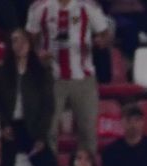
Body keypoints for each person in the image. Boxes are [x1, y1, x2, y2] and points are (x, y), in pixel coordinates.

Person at [27, 0, 107, 155]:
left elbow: (104, 33)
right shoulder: (39, 7)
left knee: (88, 131)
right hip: (52, 79)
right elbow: (31, 36)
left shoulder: (88, 6)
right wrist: (38, 53)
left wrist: (101, 41)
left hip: (84, 78)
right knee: (48, 131)